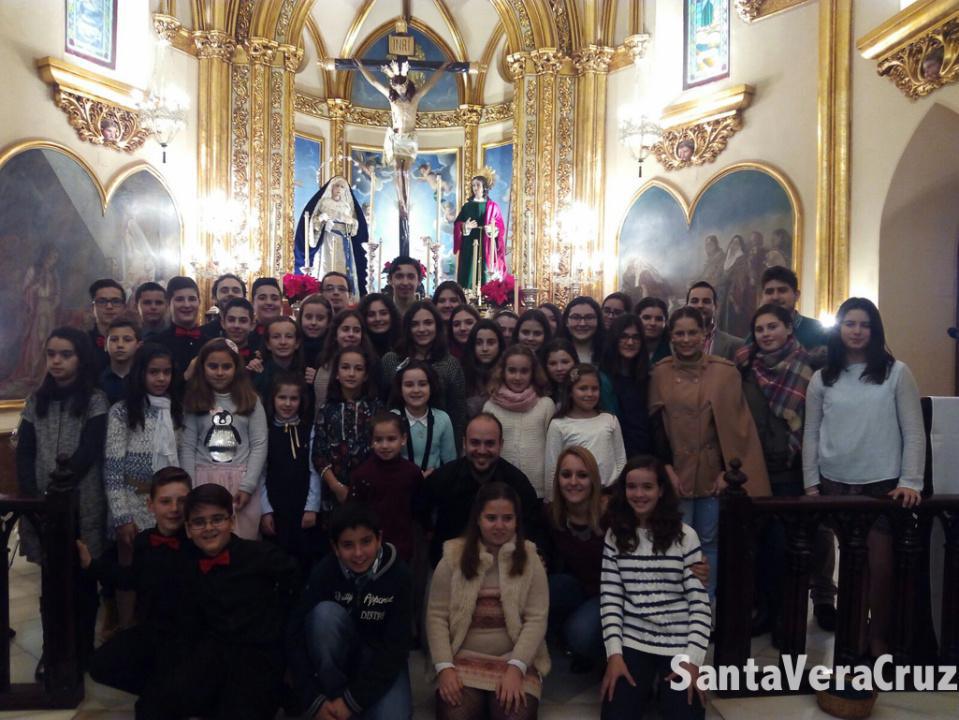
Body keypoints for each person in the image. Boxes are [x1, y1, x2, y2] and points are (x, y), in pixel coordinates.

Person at [802, 297, 924, 658]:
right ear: (839, 329)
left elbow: (913, 432)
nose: (857, 331)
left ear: (875, 330)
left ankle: (878, 637)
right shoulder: (823, 377)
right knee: (853, 568)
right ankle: (852, 636)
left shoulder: (896, 372)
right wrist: (811, 484)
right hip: (835, 481)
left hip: (882, 484)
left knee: (881, 568)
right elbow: (811, 433)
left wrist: (911, 482)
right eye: (850, 323)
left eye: (864, 324)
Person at [136, 483, 299, 720]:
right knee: (152, 704)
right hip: (213, 653)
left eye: (217, 519)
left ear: (231, 521)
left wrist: (276, 626)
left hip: (257, 656)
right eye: (199, 522)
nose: (209, 528)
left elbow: (296, 585)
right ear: (189, 530)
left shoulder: (261, 556)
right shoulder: (186, 564)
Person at [649, 307, 770, 599]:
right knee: (675, 539)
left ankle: (707, 604)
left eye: (693, 332)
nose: (686, 339)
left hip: (713, 474)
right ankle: (677, 604)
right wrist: (665, 467)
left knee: (709, 540)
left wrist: (728, 472)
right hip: (676, 472)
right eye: (679, 333)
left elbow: (737, 428)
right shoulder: (661, 372)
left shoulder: (725, 372)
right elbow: (655, 425)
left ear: (704, 334)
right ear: (671, 336)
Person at [16, 327, 108, 670]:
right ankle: (52, 649)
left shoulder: (95, 399)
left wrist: (63, 485)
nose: (57, 361)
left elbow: (89, 449)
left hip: (81, 501)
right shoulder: (35, 400)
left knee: (83, 581)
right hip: (42, 504)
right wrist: (31, 496)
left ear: (80, 358)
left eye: (65, 355)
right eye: (52, 354)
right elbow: (25, 452)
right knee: (51, 582)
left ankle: (82, 649)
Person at [600, 456, 711, 720]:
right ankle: (647, 689)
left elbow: (699, 604)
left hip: (677, 641)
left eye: (647, 487)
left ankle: (663, 690)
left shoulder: (685, 536)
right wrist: (614, 655)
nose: (638, 494)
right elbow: (611, 599)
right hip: (634, 640)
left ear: (661, 490)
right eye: (632, 487)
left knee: (685, 713)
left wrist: (692, 660)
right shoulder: (615, 535)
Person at [427, 482, 549, 720]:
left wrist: (516, 667)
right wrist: (444, 667)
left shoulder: (531, 559)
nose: (499, 526)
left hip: (514, 658)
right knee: (455, 715)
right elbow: (436, 617)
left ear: (517, 521)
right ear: (478, 520)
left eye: (507, 518)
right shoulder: (453, 557)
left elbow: (536, 619)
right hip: (462, 658)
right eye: (491, 518)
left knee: (515, 715)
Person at [737, 304, 822, 638]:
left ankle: (789, 617)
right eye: (760, 329)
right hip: (757, 471)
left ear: (789, 328)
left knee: (789, 547)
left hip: (793, 470)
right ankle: (765, 611)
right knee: (758, 548)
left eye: (772, 327)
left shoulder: (809, 367)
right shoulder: (746, 368)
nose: (766, 334)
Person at [288, 502, 413, 720]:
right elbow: (294, 633)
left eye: (366, 542)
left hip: (381, 661)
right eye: (347, 545)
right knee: (324, 616)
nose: (358, 553)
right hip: (338, 662)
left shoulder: (400, 576)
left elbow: (396, 648)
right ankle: (333, 700)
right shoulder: (324, 572)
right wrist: (312, 699)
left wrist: (353, 700)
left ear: (379, 538)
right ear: (335, 547)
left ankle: (348, 704)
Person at [84, 467, 193, 700]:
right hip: (151, 632)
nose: (174, 509)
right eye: (165, 501)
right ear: (150, 505)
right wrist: (91, 565)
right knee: (99, 665)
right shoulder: (144, 541)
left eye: (181, 501)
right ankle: (160, 689)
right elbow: (130, 577)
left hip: (187, 638)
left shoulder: (197, 543)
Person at [104, 343, 182, 627]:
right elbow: (113, 468)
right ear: (141, 374)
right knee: (129, 574)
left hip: (171, 506)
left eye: (166, 372)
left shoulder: (177, 410)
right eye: (154, 372)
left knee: (163, 574)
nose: (161, 379)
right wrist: (122, 516)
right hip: (133, 501)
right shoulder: (123, 412)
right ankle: (126, 632)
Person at [423, 413, 542, 565]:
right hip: (450, 566)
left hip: (503, 568)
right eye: (475, 442)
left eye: (490, 443)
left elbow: (532, 528)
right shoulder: (443, 478)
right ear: (464, 443)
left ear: (501, 444)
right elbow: (422, 519)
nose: (482, 450)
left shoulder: (517, 483)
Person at [180, 338, 268, 540]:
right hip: (203, 480)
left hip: (241, 483)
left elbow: (259, 444)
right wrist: (191, 487)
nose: (219, 372)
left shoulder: (251, 400)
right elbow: (187, 447)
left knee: (242, 542)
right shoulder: (195, 400)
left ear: (236, 368)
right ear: (202, 367)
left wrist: (248, 485)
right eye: (213, 366)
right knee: (208, 538)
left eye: (226, 366)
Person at [543, 447, 606, 673]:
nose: (573, 482)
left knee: (580, 634)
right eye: (566, 474)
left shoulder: (613, 514)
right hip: (578, 587)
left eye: (582, 475)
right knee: (544, 589)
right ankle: (565, 637)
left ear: (593, 480)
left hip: (611, 596)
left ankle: (600, 654)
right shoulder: (553, 515)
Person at [381, 300, 467, 453]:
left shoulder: (450, 364)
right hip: (395, 447)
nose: (422, 329)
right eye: (415, 324)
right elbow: (382, 404)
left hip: (437, 446)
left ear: (437, 326)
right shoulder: (392, 361)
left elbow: (457, 413)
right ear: (407, 328)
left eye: (428, 323)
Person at [259, 372, 322, 572]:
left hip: (303, 505)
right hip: (275, 506)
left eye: (293, 398)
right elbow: (261, 474)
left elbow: (314, 470)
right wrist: (265, 509)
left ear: (301, 401)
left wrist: (312, 507)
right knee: (276, 558)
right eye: (282, 398)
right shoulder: (265, 431)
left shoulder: (309, 429)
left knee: (303, 557)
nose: (287, 403)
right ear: (273, 399)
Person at [313, 346, 383, 513]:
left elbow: (382, 447)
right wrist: (336, 486)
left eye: (358, 369)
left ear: (366, 375)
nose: (351, 374)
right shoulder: (327, 409)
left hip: (371, 489)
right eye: (345, 367)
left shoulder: (377, 409)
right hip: (335, 491)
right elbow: (318, 453)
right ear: (336, 373)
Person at [349, 413, 425, 562]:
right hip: (369, 547)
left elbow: (420, 510)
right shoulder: (362, 474)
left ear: (403, 439)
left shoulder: (412, 473)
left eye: (391, 439)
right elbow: (353, 512)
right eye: (378, 440)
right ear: (371, 442)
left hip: (404, 544)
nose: (385, 446)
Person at [484, 346, 555, 499]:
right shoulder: (491, 406)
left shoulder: (545, 405)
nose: (517, 377)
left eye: (524, 371)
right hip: (501, 488)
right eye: (512, 370)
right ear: (503, 371)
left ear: (533, 373)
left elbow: (552, 452)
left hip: (538, 489)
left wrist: (550, 494)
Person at [545, 364, 626, 495]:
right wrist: (552, 501)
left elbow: (621, 460)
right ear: (570, 391)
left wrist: (618, 491)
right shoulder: (558, 424)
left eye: (594, 389)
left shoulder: (610, 420)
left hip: (608, 494)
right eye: (583, 388)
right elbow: (552, 468)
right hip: (574, 494)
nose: (589, 394)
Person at [390, 359, 457, 474]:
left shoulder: (443, 419)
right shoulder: (392, 418)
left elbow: (450, 463)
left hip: (434, 484)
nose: (416, 390)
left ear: (432, 387)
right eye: (409, 385)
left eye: (422, 384)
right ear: (400, 389)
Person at [600, 314, 652, 457]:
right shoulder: (601, 379)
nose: (630, 342)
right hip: (612, 454)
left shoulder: (650, 377)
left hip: (644, 455)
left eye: (636, 337)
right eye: (624, 336)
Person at [308, 178, 367, 298]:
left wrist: (351, 222)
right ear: (332, 188)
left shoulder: (346, 206)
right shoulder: (324, 203)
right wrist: (321, 219)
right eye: (337, 186)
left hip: (344, 239)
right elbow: (314, 221)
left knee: (344, 267)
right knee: (327, 264)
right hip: (328, 238)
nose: (339, 189)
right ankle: (324, 294)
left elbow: (354, 229)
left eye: (342, 187)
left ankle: (344, 294)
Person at [313, 309, 377, 409]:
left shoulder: (372, 362)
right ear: (335, 334)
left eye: (356, 330)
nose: (351, 334)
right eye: (345, 329)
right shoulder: (323, 362)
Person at [453, 175, 507, 290]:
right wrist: (465, 226)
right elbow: (457, 224)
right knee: (469, 270)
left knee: (485, 271)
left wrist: (493, 229)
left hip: (486, 244)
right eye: (473, 185)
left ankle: (486, 294)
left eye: (478, 185)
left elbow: (500, 226)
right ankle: (468, 294)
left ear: (484, 188)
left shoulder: (493, 207)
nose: (475, 188)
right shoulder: (467, 207)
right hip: (469, 244)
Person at [759, 266, 829, 350]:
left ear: (796, 295)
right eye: (769, 292)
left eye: (782, 290)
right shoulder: (757, 334)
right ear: (762, 296)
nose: (775, 297)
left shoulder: (819, 332)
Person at [154, 276, 203, 383]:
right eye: (179, 299)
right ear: (168, 303)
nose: (187, 305)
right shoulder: (155, 344)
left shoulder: (211, 342)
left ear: (199, 302)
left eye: (192, 299)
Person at [248, 316, 306, 401]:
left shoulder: (306, 374)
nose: (283, 342)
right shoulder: (258, 373)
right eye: (276, 337)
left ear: (297, 343)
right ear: (268, 344)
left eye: (289, 336)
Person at [686, 281, 744, 361]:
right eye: (694, 301)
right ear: (686, 306)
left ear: (716, 306)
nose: (700, 305)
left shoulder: (736, 345)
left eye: (706, 301)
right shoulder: (672, 344)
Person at [462, 319, 505, 419]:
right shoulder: (463, 373)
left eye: (491, 343)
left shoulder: (508, 373)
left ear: (500, 344)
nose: (485, 348)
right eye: (479, 343)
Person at [718, 235, 755, 338]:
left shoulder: (741, 259)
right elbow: (720, 277)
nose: (734, 245)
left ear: (740, 246)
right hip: (724, 295)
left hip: (735, 295)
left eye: (737, 243)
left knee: (733, 324)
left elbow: (740, 280)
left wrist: (734, 297)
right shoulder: (727, 259)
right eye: (733, 243)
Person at [99, 317, 142, 405]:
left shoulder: (144, 379)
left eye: (127, 340)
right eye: (114, 339)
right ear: (105, 345)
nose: (120, 345)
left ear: (139, 345)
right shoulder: (98, 381)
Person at [88, 278, 127, 371]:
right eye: (102, 301)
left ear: (124, 308)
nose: (109, 306)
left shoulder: (136, 343)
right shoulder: (82, 343)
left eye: (115, 301)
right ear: (93, 308)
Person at [201, 273, 247, 339]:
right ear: (214, 298)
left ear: (244, 297)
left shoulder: (254, 334)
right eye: (224, 291)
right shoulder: (203, 334)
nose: (230, 294)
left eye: (236, 291)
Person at [561, 297, 605, 365]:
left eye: (589, 317)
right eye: (576, 317)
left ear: (598, 321)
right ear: (566, 321)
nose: (582, 323)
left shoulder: (609, 353)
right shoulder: (553, 352)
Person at [298, 293, 333, 374]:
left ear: (328, 322)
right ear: (300, 318)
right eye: (308, 317)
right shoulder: (292, 346)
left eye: (320, 318)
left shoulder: (334, 349)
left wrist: (320, 379)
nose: (313, 323)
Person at [359, 292, 401, 358]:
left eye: (383, 313)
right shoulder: (358, 348)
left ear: (392, 315)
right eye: (371, 314)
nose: (378, 319)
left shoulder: (405, 345)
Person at [220, 297, 260, 365]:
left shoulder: (260, 357)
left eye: (243, 321)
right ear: (223, 323)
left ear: (252, 325)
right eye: (231, 320)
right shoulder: (213, 354)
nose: (236, 325)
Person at [542, 338, 577, 408]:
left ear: (575, 362)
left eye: (565, 362)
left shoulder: (588, 383)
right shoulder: (540, 391)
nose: (559, 368)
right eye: (552, 363)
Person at [636, 297, 670, 366]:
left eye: (659, 319)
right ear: (636, 319)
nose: (652, 323)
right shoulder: (627, 347)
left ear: (665, 322)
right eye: (646, 318)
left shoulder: (673, 350)